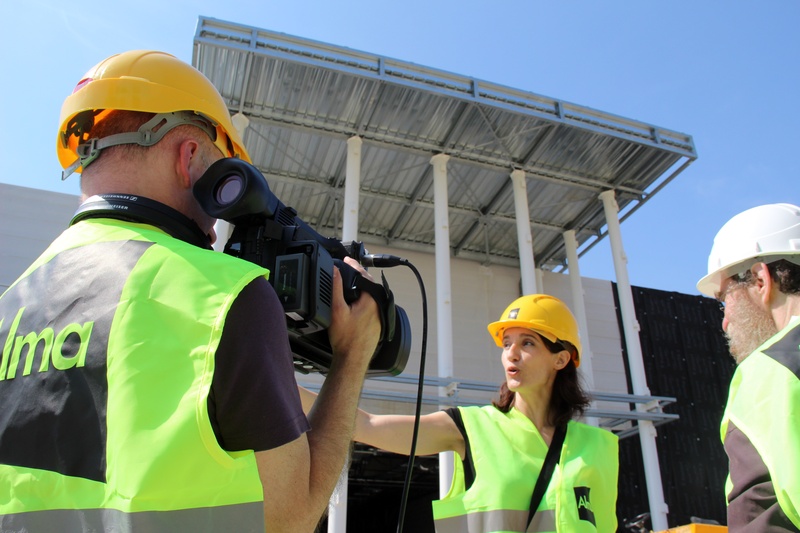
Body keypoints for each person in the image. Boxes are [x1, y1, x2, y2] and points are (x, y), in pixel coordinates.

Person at [0, 50, 381, 533]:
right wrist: (353, 356)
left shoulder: (10, 304)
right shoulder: (225, 296)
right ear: (190, 158)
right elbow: (293, 518)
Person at [301, 293, 619, 532]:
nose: (512, 353)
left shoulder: (599, 448)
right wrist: (268, 380)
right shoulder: (471, 427)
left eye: (528, 343)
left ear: (560, 359)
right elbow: (367, 424)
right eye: (506, 343)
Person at [697, 203, 800, 532]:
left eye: (726, 300)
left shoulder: (770, 370)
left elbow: (761, 515)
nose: (725, 322)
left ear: (760, 280)